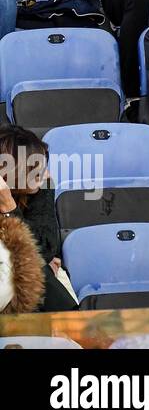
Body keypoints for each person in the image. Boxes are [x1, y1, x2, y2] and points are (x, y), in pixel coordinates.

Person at [0, 125, 77, 312]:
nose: (43, 173)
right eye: (34, 168)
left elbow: (46, 247)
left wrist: (9, 208)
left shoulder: (42, 185)